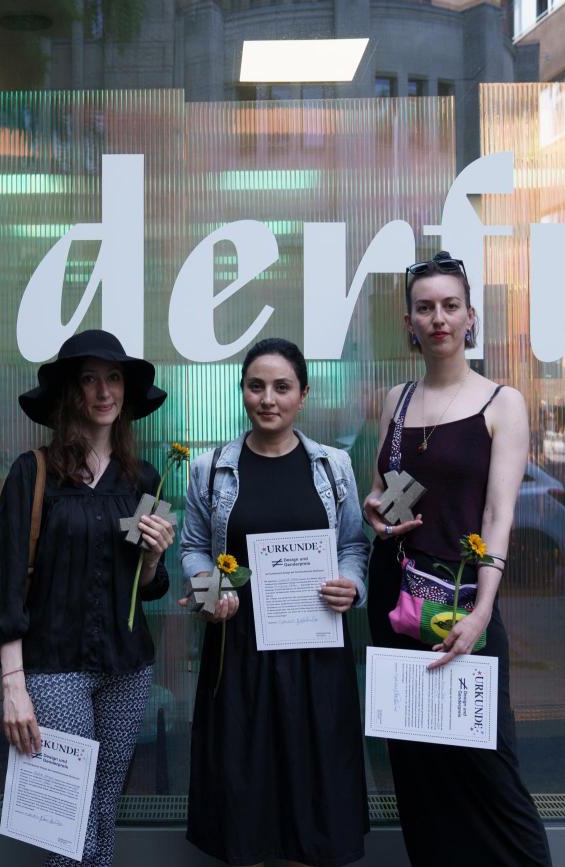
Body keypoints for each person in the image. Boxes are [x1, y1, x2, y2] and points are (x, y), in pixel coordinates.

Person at [364, 251, 551, 866]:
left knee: (489, 768)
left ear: (471, 317)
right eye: (425, 307)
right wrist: (375, 511)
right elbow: (383, 491)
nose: (438, 317)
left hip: (465, 605)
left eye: (450, 306)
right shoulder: (395, 399)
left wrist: (482, 616)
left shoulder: (503, 402)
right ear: (409, 321)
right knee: (417, 774)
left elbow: (499, 517)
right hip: (398, 601)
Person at [0, 329, 176, 867]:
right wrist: (13, 688)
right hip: (53, 669)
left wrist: (156, 557)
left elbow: (147, 586)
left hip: (127, 668)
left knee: (103, 813)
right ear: (71, 393)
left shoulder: (145, 479)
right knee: (66, 823)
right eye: (89, 379)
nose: (103, 391)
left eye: (112, 378)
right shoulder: (33, 473)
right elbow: (6, 586)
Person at [180, 337, 371, 867]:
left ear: (303, 395)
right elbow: (194, 549)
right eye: (256, 386)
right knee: (247, 803)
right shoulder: (211, 467)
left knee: (312, 801)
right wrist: (209, 592)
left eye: (282, 387)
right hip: (237, 654)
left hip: (316, 653)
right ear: (242, 392)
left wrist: (353, 585)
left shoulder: (334, 467)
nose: (268, 398)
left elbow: (354, 544)